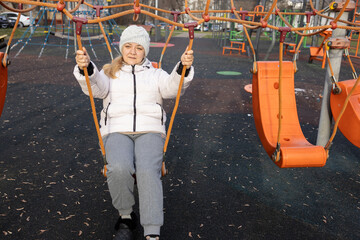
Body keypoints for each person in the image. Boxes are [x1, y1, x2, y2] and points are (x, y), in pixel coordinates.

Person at [73, 25, 194, 240]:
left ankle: (152, 231)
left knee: (148, 170)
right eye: (128, 46)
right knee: (119, 167)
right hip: (117, 129)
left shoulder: (156, 74)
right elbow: (97, 88)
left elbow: (171, 89)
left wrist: (181, 69)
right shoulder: (110, 72)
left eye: (138, 48)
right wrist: (87, 68)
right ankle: (126, 217)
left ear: (145, 51)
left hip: (150, 130)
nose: (132, 51)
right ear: (122, 47)